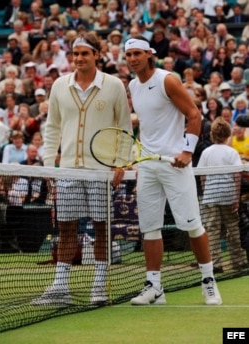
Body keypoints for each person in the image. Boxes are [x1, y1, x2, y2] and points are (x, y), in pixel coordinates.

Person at [31, 32, 132, 306]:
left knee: (101, 228)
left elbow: (124, 126)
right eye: (75, 54)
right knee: (66, 229)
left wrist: (121, 162)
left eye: (85, 53)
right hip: (67, 171)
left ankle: (99, 286)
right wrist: (49, 164)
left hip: (100, 171)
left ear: (96, 55)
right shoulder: (59, 86)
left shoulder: (114, 86)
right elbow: (51, 127)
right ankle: (60, 287)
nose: (79, 58)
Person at [124, 36, 222, 305]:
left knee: (192, 225)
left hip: (175, 164)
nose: (132, 59)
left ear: (149, 54)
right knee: (150, 228)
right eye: (128, 54)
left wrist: (188, 151)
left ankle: (208, 281)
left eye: (137, 54)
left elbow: (193, 114)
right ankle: (154, 287)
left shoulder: (167, 80)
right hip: (147, 165)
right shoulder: (133, 85)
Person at [197, 117, 248, 272]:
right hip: (228, 195)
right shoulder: (232, 152)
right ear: (227, 134)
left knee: (212, 231)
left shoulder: (206, 152)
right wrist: (236, 198)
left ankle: (216, 264)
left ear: (212, 134)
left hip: (211, 196)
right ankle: (238, 262)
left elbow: (202, 176)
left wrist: (206, 192)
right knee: (233, 229)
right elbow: (237, 176)